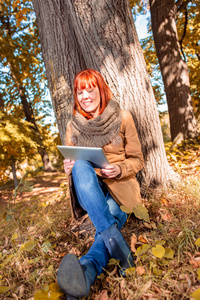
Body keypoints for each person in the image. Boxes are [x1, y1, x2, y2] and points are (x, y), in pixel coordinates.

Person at [57, 69, 144, 299]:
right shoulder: (73, 126)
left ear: (101, 90)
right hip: (90, 189)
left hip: (121, 188)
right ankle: (121, 250)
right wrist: (70, 169)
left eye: (89, 89)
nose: (84, 96)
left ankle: (86, 272)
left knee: (106, 226)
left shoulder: (123, 117)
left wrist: (119, 168)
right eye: (79, 91)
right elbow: (74, 163)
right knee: (81, 165)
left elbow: (138, 160)